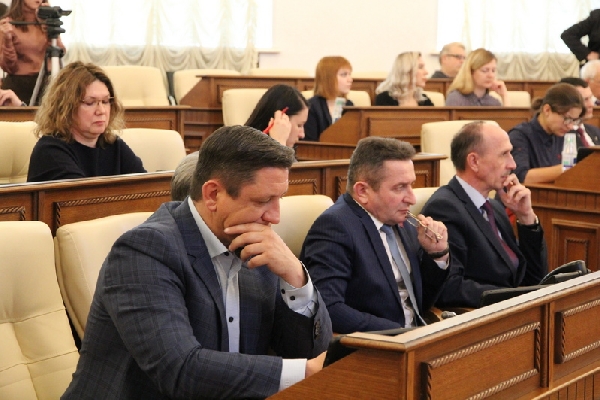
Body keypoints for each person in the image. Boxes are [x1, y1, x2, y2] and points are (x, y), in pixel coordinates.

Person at [62, 125, 333, 399]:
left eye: (279, 199)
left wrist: (295, 276)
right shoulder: (145, 250)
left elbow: (310, 352)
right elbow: (179, 370)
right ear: (213, 195)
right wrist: (305, 373)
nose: (275, 217)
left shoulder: (257, 245)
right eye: (264, 200)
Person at [301, 136, 450, 334]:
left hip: (417, 336)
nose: (412, 198)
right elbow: (329, 308)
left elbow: (419, 302)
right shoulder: (335, 227)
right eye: (400, 187)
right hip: (376, 343)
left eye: (411, 185)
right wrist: (399, 332)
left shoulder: (401, 221)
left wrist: (437, 255)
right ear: (363, 191)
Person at [421, 121, 547, 308]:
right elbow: (450, 287)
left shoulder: (494, 206)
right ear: (474, 161)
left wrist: (526, 218)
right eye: (504, 154)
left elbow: (535, 278)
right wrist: (515, 298)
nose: (512, 164)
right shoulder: (445, 208)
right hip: (484, 316)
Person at [27, 61, 146, 182]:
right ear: (66, 108)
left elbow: (146, 186)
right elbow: (83, 193)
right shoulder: (49, 151)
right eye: (90, 103)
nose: (101, 111)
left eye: (105, 101)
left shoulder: (114, 145)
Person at [508, 83, 585, 184]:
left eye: (574, 120)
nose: (570, 126)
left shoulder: (566, 133)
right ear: (547, 110)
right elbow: (521, 177)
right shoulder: (519, 136)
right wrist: (567, 168)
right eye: (567, 119)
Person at [0, 0, 66, 104]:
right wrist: (7, 39)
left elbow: (60, 52)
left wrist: (47, 25)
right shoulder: (8, 24)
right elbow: (8, 66)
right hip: (20, 85)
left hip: (47, 82)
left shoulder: (46, 20)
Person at [303, 56, 354, 141]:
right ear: (329, 78)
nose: (350, 79)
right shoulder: (311, 107)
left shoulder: (349, 105)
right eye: (344, 75)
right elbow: (310, 143)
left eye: (350, 74)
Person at [245, 84, 309, 148]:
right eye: (299, 125)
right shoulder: (246, 149)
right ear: (280, 120)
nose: (302, 135)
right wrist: (279, 142)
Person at [445, 48, 511, 106]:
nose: (490, 75)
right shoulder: (456, 99)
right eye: (485, 70)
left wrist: (504, 96)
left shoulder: (494, 103)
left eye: (493, 70)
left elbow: (508, 116)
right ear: (471, 72)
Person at [560, 77, 600, 147]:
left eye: (590, 98)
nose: (591, 104)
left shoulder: (595, 131)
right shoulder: (561, 135)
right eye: (585, 100)